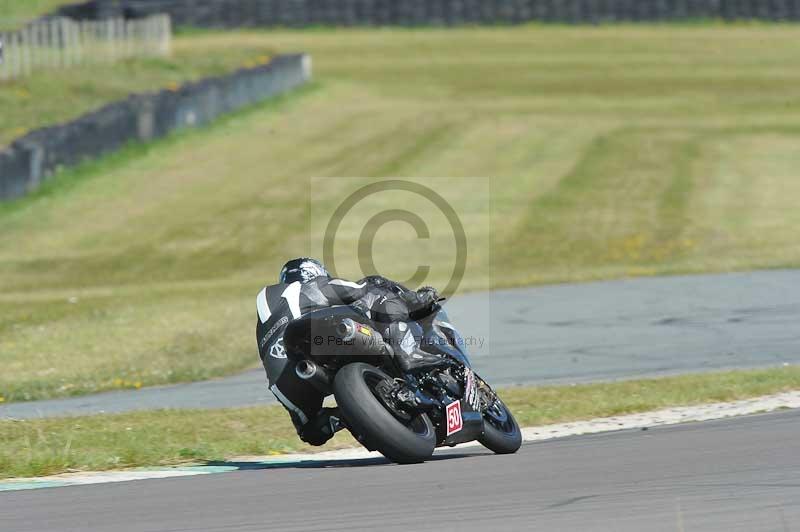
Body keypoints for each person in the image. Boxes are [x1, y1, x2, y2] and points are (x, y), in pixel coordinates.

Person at [255, 258, 443, 446]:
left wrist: (353, 409)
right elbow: (360, 289)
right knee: (376, 288)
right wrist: (414, 301)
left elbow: (313, 435)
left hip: (286, 381)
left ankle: (347, 416)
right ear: (314, 273)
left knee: (311, 430)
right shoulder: (304, 287)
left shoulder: (266, 317)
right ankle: (411, 357)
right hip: (312, 335)